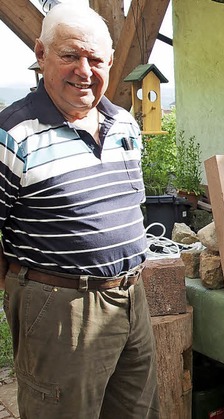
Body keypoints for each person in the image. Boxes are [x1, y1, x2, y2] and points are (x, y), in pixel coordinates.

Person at [0, 4, 159, 418]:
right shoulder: (13, 133)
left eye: (95, 59)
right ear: (41, 54)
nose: (84, 71)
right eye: (70, 56)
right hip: (61, 310)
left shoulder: (124, 124)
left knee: (135, 412)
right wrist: (21, 291)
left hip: (132, 298)